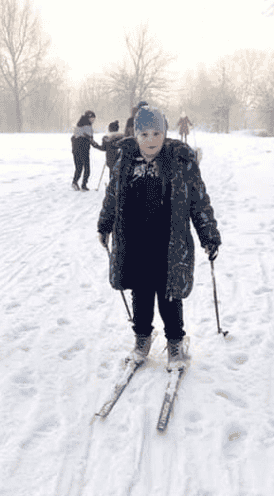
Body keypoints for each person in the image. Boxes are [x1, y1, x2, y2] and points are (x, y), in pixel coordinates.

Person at [97, 106, 221, 369]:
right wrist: (104, 225)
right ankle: (142, 339)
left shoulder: (180, 162)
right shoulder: (126, 161)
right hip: (134, 242)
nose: (150, 139)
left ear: (164, 133)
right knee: (140, 293)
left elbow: (198, 200)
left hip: (169, 243)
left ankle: (175, 342)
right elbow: (112, 196)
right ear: (136, 134)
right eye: (144, 134)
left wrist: (208, 235)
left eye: (156, 133)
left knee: (170, 295)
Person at [71, 110, 103, 191]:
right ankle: (84, 185)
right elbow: (90, 140)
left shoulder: (78, 125)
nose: (93, 120)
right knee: (87, 168)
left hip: (75, 150)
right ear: (89, 117)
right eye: (92, 118)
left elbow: (73, 138)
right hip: (83, 150)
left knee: (78, 167)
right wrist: (100, 147)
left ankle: (74, 182)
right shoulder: (87, 126)